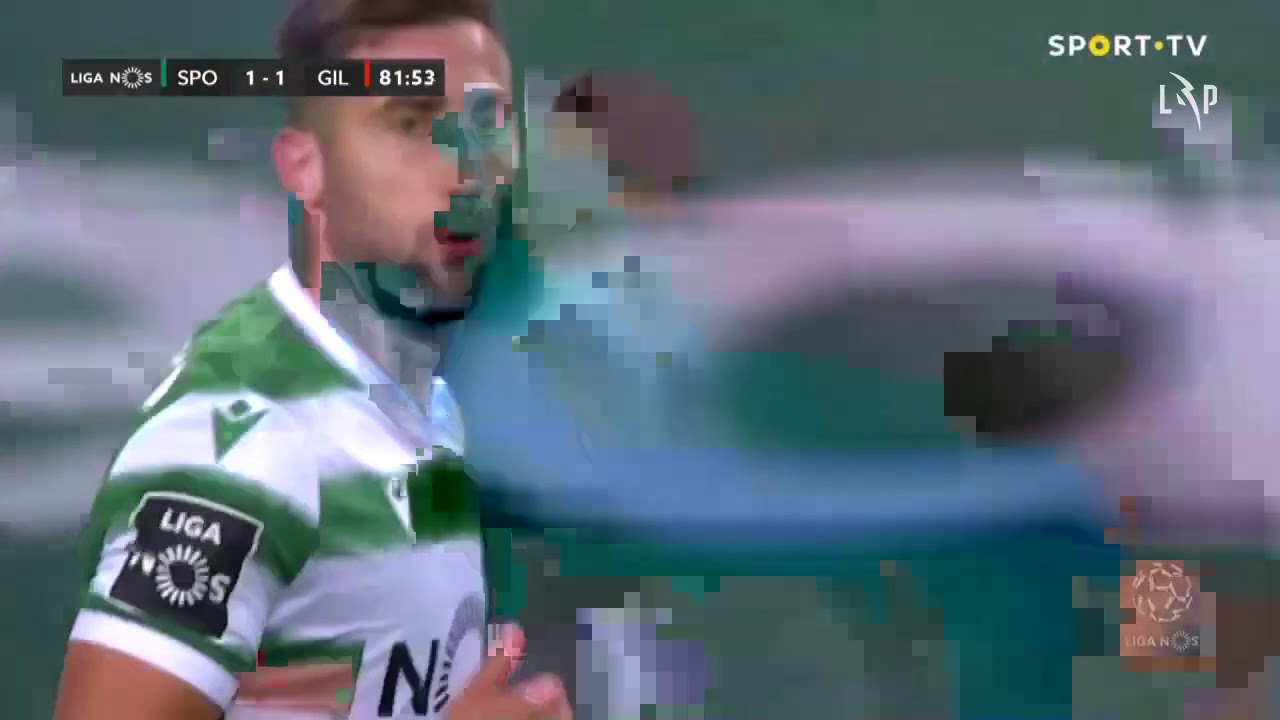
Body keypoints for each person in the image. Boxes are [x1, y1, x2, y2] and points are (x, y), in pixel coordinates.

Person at [50, 1, 571, 718]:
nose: (467, 169)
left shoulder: (428, 406)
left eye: (488, 122)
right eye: (409, 124)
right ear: (306, 166)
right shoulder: (245, 447)